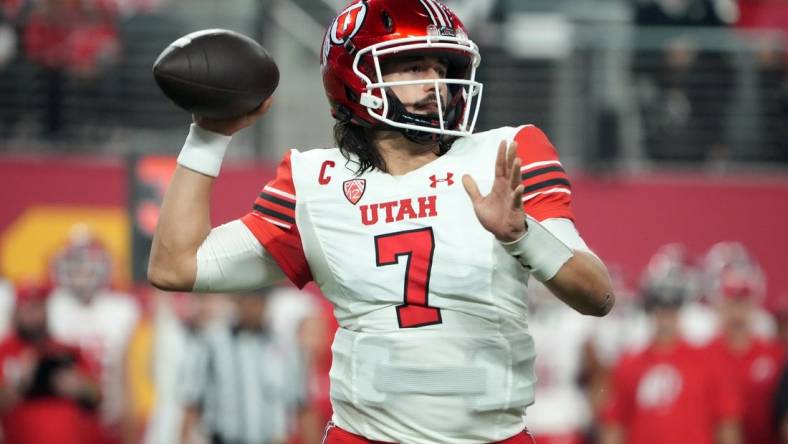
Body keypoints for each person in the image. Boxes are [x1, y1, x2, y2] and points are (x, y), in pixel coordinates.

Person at [147, 1, 615, 442]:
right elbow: (175, 267)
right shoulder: (316, 183)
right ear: (356, 78)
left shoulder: (505, 155)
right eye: (414, 67)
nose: (437, 83)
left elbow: (598, 295)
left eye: (442, 68)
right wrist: (208, 136)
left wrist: (523, 236)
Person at [599, 247, 742, 444]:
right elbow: (614, 426)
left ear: (681, 308)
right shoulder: (629, 364)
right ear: (650, 309)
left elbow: (726, 424)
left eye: (672, 305)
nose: (666, 314)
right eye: (660, 305)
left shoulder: (708, 360)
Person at [177, 289, 315, 444]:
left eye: (258, 301)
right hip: (224, 438)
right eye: (247, 299)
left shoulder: (284, 347)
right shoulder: (212, 343)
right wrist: (183, 437)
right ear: (237, 301)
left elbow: (301, 405)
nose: (252, 307)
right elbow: (192, 401)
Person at [47, 226, 141, 444]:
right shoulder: (52, 306)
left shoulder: (121, 309)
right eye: (76, 265)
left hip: (107, 419)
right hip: (60, 415)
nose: (83, 273)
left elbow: (125, 378)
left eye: (89, 265)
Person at [701, 242, 785, 444]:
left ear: (755, 299)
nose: (737, 308)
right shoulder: (701, 357)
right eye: (731, 298)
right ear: (718, 301)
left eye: (743, 297)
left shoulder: (776, 355)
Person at [0, 281, 102, 444]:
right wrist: (19, 381)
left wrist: (80, 387)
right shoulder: (4, 351)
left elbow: (98, 397)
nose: (35, 314)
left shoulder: (67, 349)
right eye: (28, 308)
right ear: (16, 312)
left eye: (39, 306)